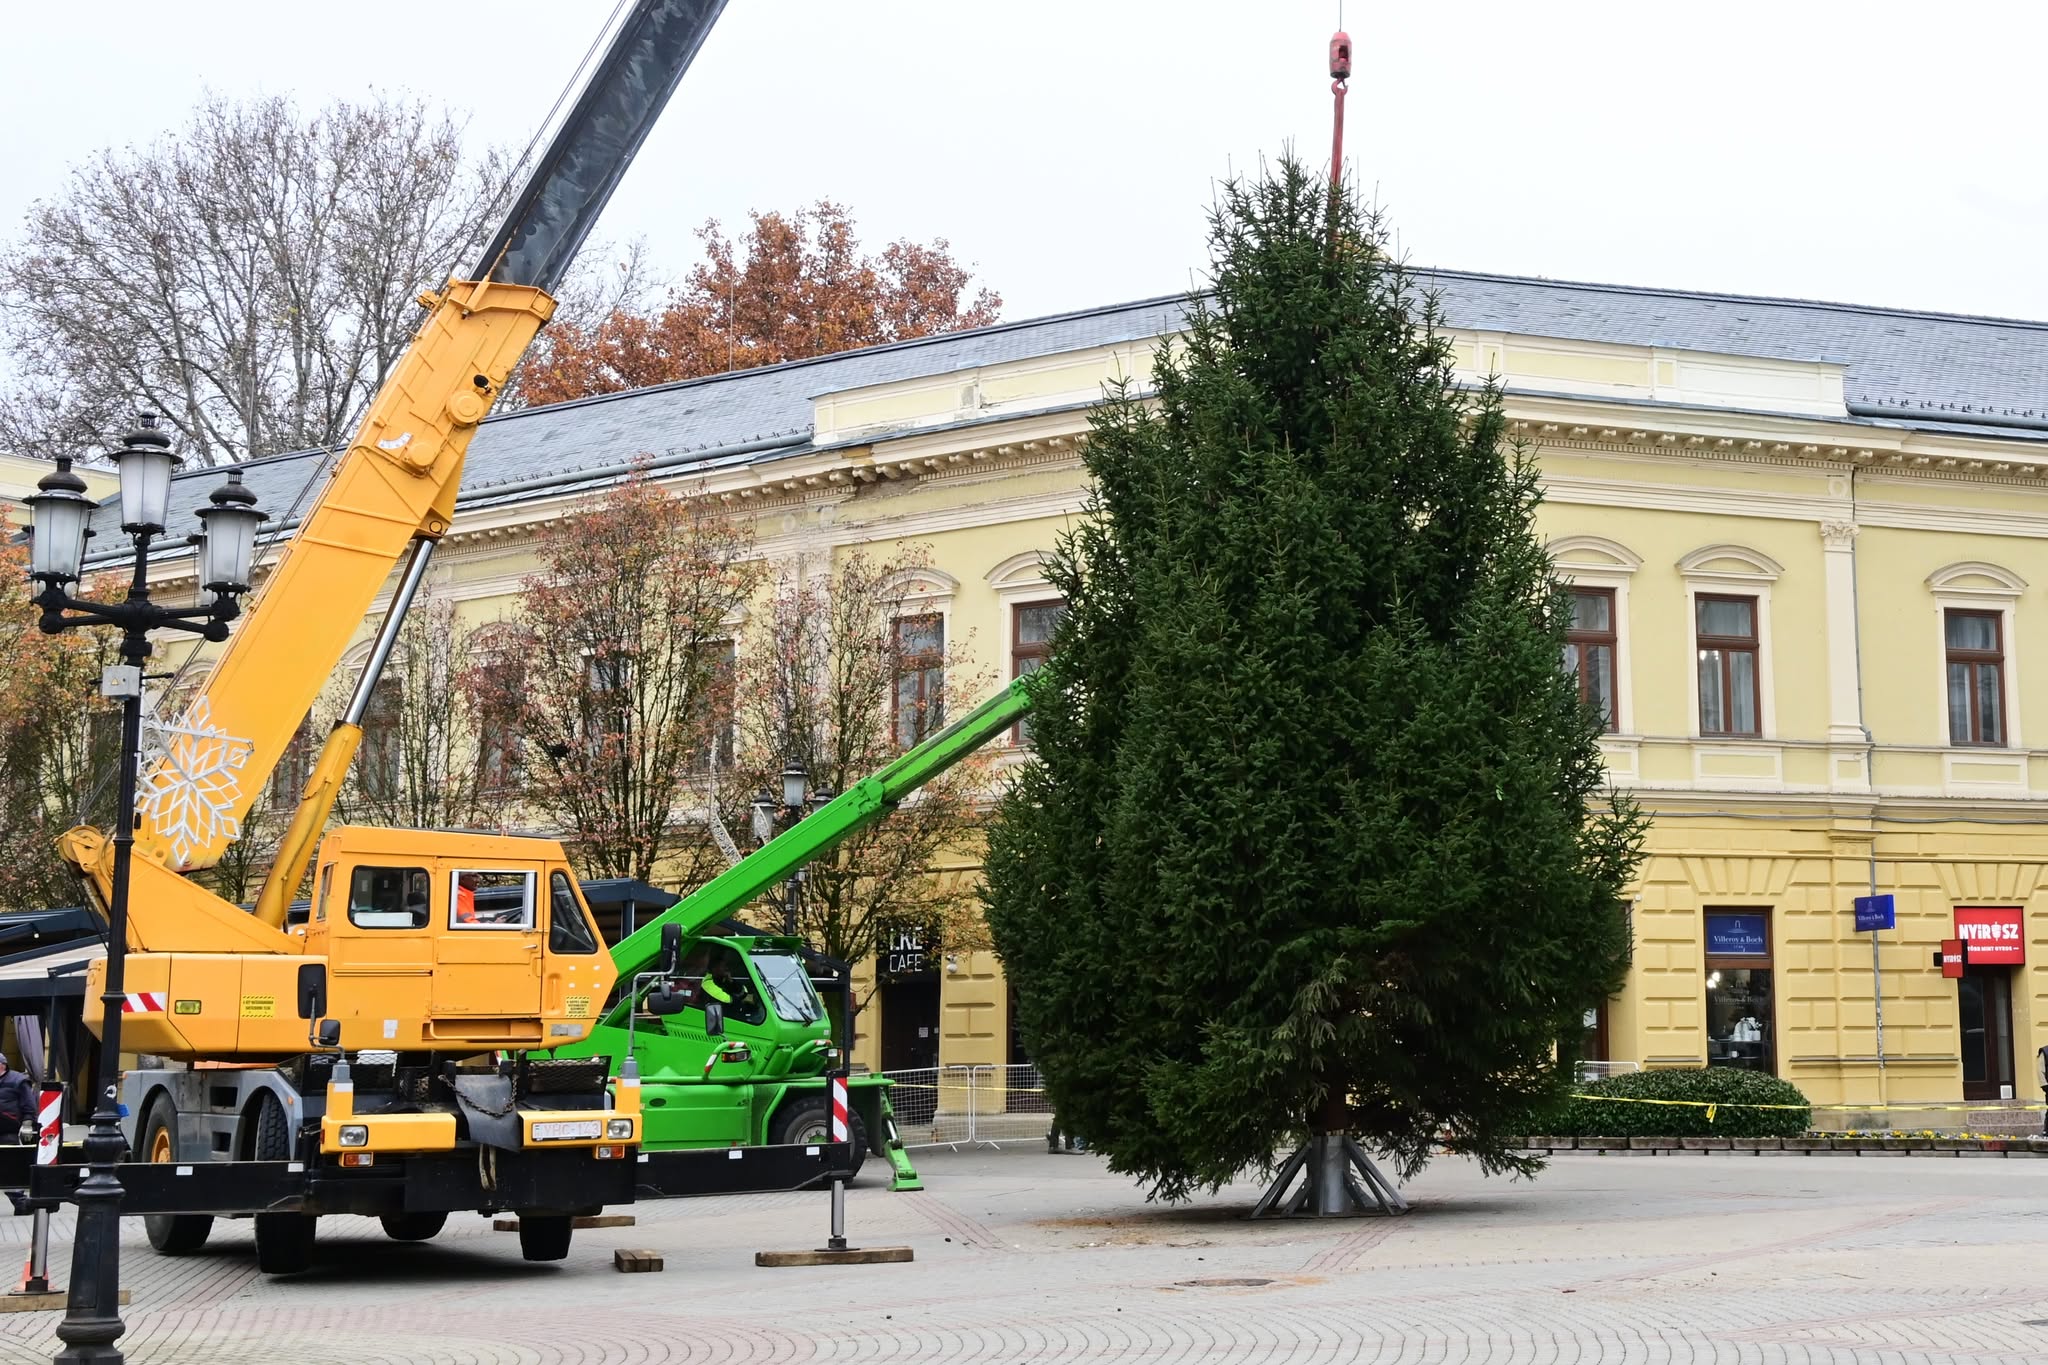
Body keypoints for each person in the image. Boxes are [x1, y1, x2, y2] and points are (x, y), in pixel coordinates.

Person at [0, 1052, 33, 1214]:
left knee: (8, 1166)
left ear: (2, 1065)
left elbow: (29, 1104)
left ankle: (21, 1203)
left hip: (8, 1129)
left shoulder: (18, 1080)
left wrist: (27, 1123)